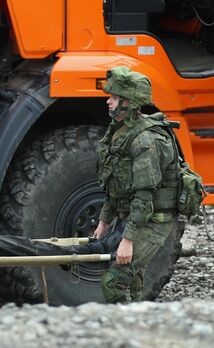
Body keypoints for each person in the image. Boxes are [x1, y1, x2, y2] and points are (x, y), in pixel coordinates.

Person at [94, 66, 180, 303]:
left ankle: (125, 332)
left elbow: (145, 195)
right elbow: (114, 185)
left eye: (113, 98)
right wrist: (104, 222)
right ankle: (138, 325)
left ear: (129, 103)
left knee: (113, 280)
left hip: (152, 220)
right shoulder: (119, 132)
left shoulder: (145, 140)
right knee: (131, 278)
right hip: (133, 216)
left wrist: (128, 240)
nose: (108, 103)